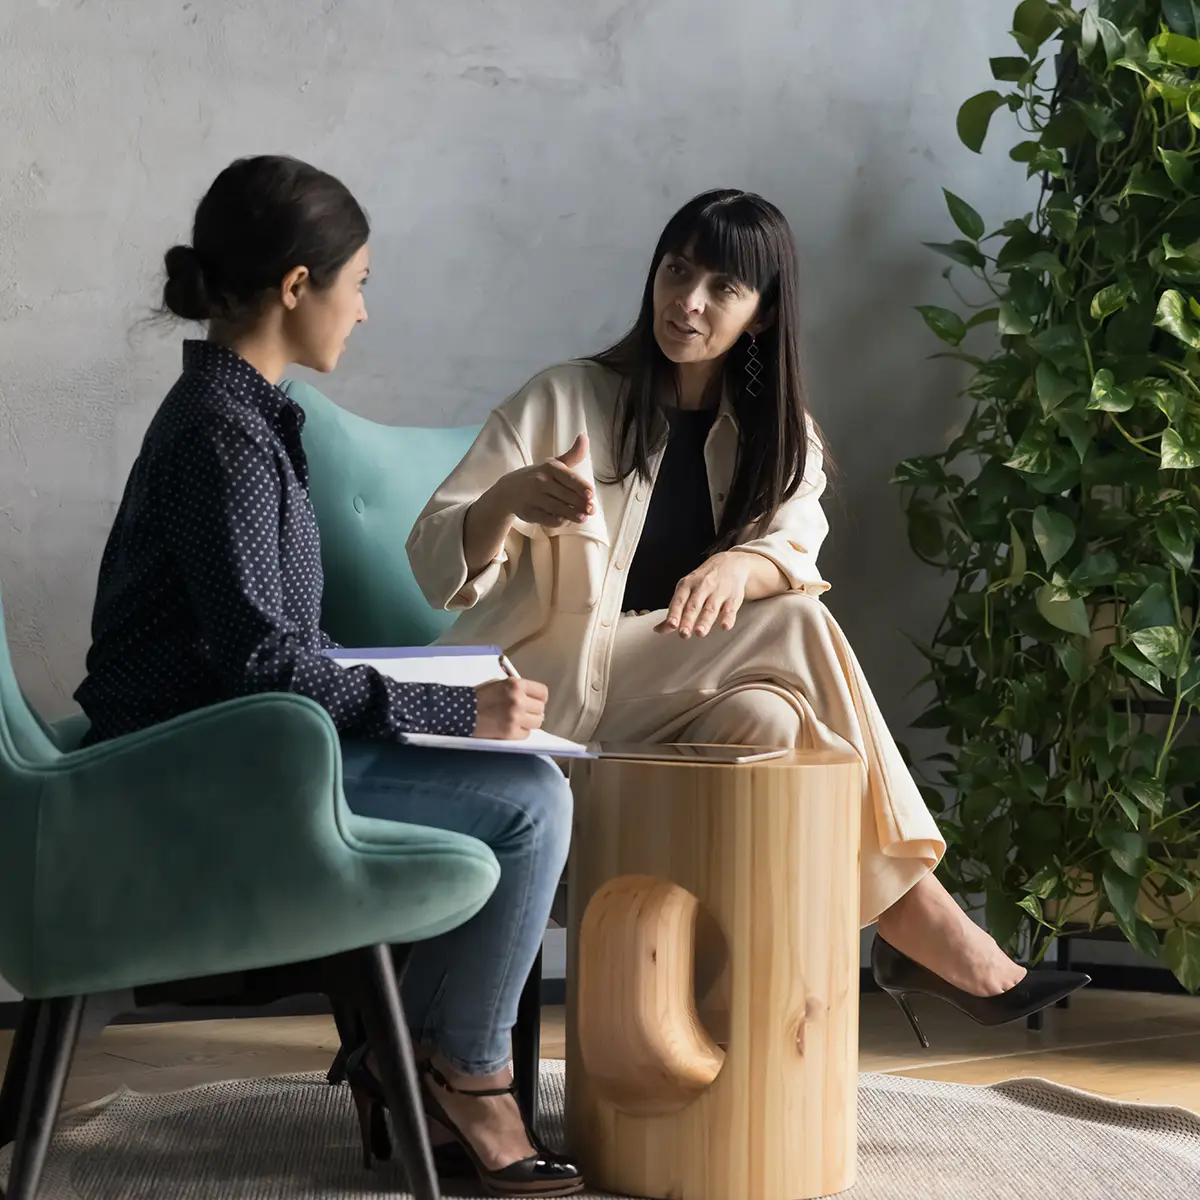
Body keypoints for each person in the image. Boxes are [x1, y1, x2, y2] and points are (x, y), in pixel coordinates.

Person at [408, 188, 1089, 1038]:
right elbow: (433, 556)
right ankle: (919, 920)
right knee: (799, 624)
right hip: (542, 693)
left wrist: (744, 562)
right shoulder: (566, 397)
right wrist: (506, 500)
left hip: (663, 705)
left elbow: (797, 537)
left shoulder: (780, 434)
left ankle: (720, 1001)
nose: (687, 300)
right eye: (676, 270)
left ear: (761, 315)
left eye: (721, 287)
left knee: (771, 717)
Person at [74, 155, 584, 1197]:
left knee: (524, 786)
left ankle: (422, 1061)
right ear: (298, 287)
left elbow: (268, 648)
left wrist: (423, 691)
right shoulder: (224, 437)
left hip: (236, 737)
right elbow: (263, 665)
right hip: (194, 765)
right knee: (530, 799)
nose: (364, 311)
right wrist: (455, 707)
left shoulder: (246, 417)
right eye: (357, 284)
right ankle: (464, 1074)